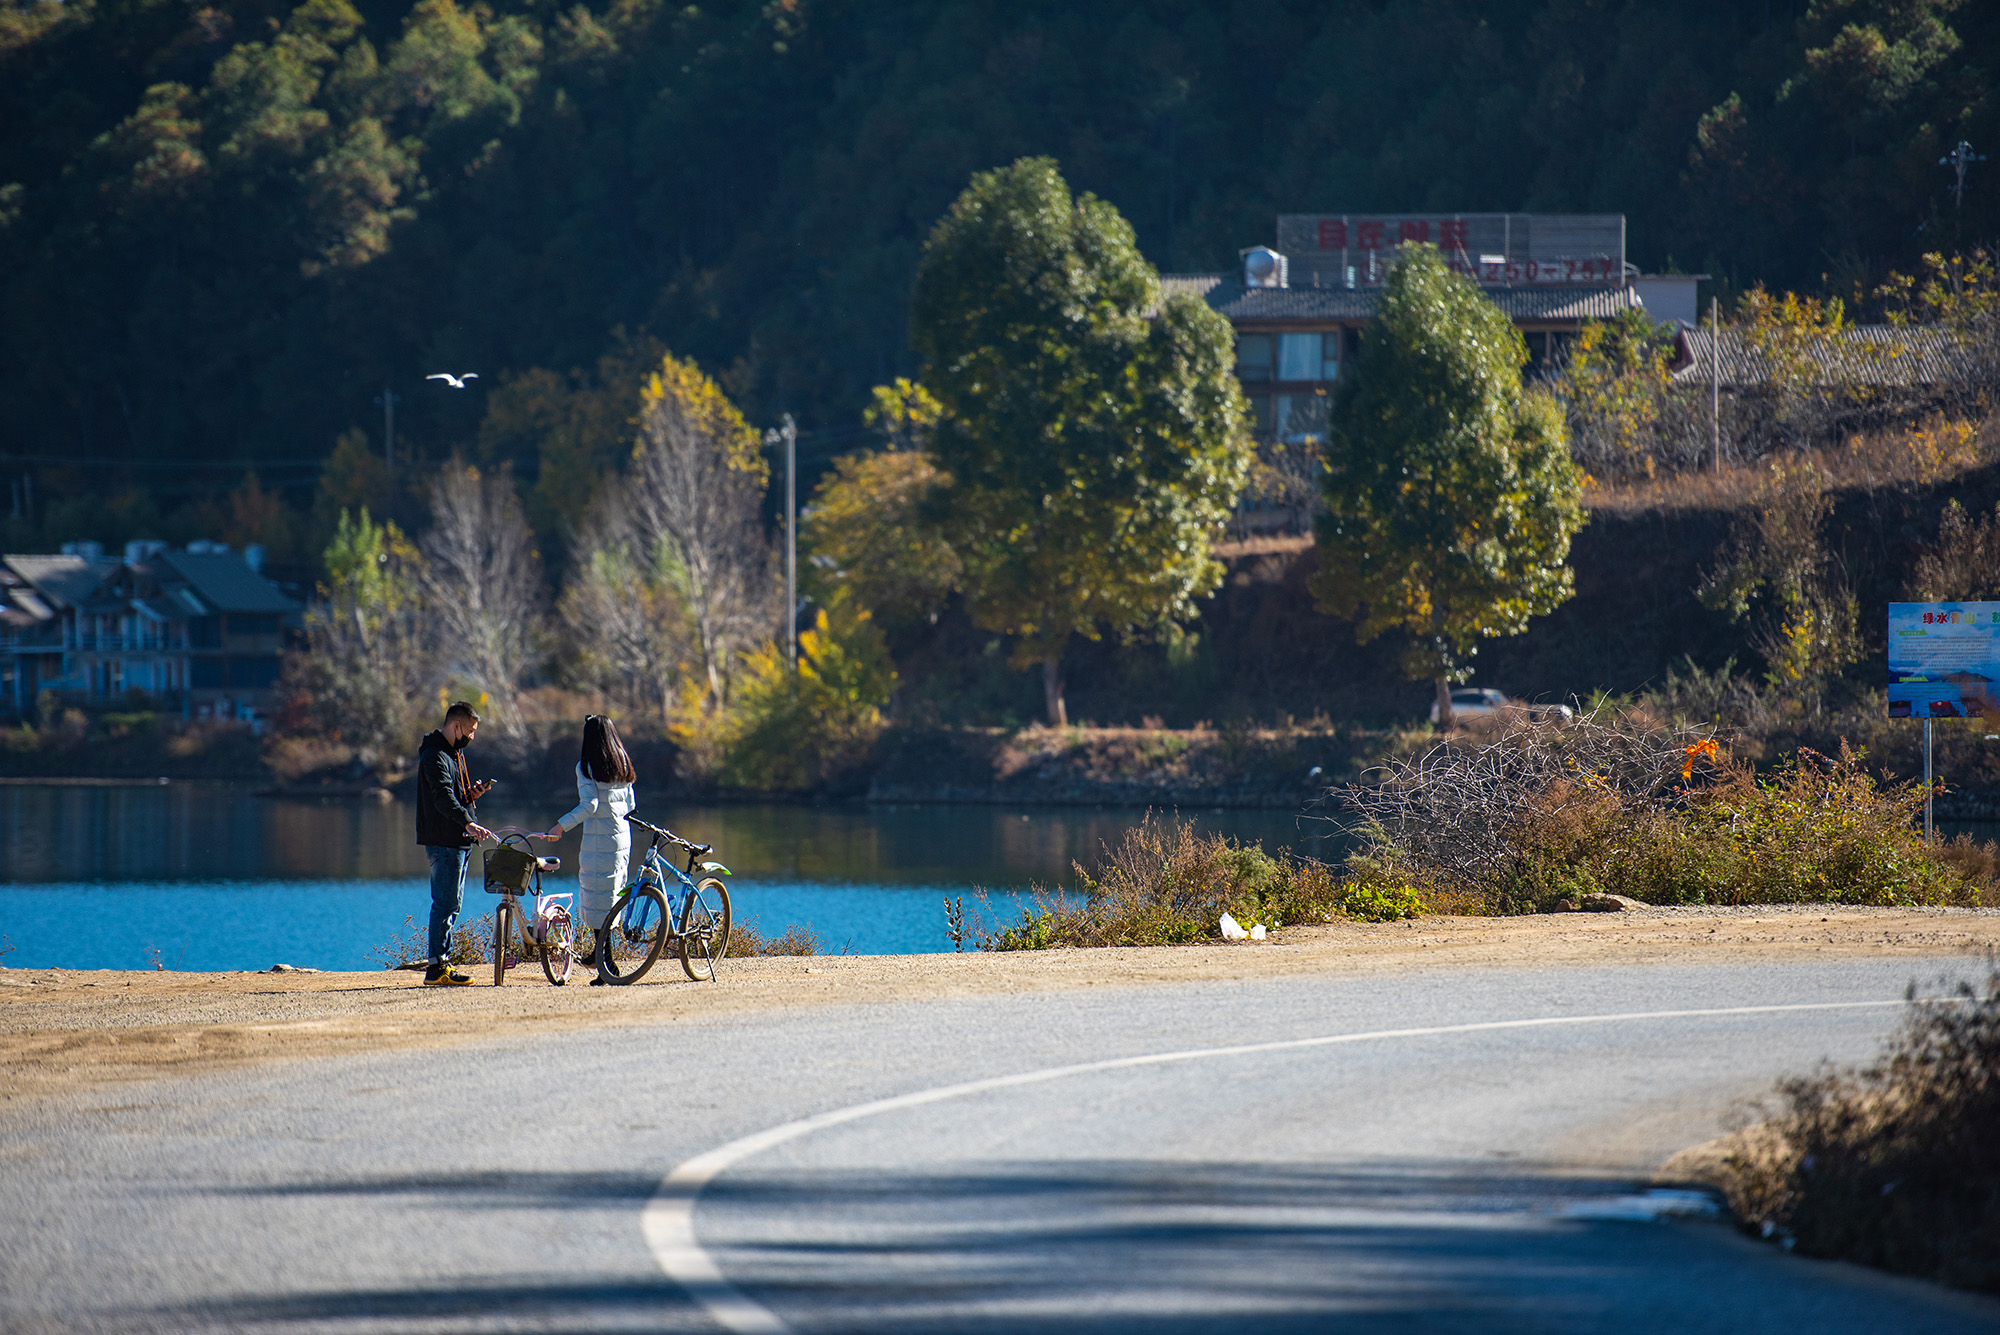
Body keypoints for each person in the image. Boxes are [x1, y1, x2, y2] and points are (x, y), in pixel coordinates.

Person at [544, 715, 636, 984]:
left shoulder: (586, 766)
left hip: (599, 841)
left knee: (596, 899)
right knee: (611, 899)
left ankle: (606, 966)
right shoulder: (622, 760)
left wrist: (560, 826)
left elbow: (590, 806)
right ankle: (601, 956)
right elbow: (630, 803)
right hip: (622, 839)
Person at [415, 701, 494, 986]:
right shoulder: (434, 756)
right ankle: (436, 968)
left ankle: (442, 963)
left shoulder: (452, 755)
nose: (472, 737)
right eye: (470, 731)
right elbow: (442, 798)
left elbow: (455, 797)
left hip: (457, 840)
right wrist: (467, 822)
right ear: (456, 725)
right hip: (444, 842)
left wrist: (472, 795)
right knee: (445, 903)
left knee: (452, 904)